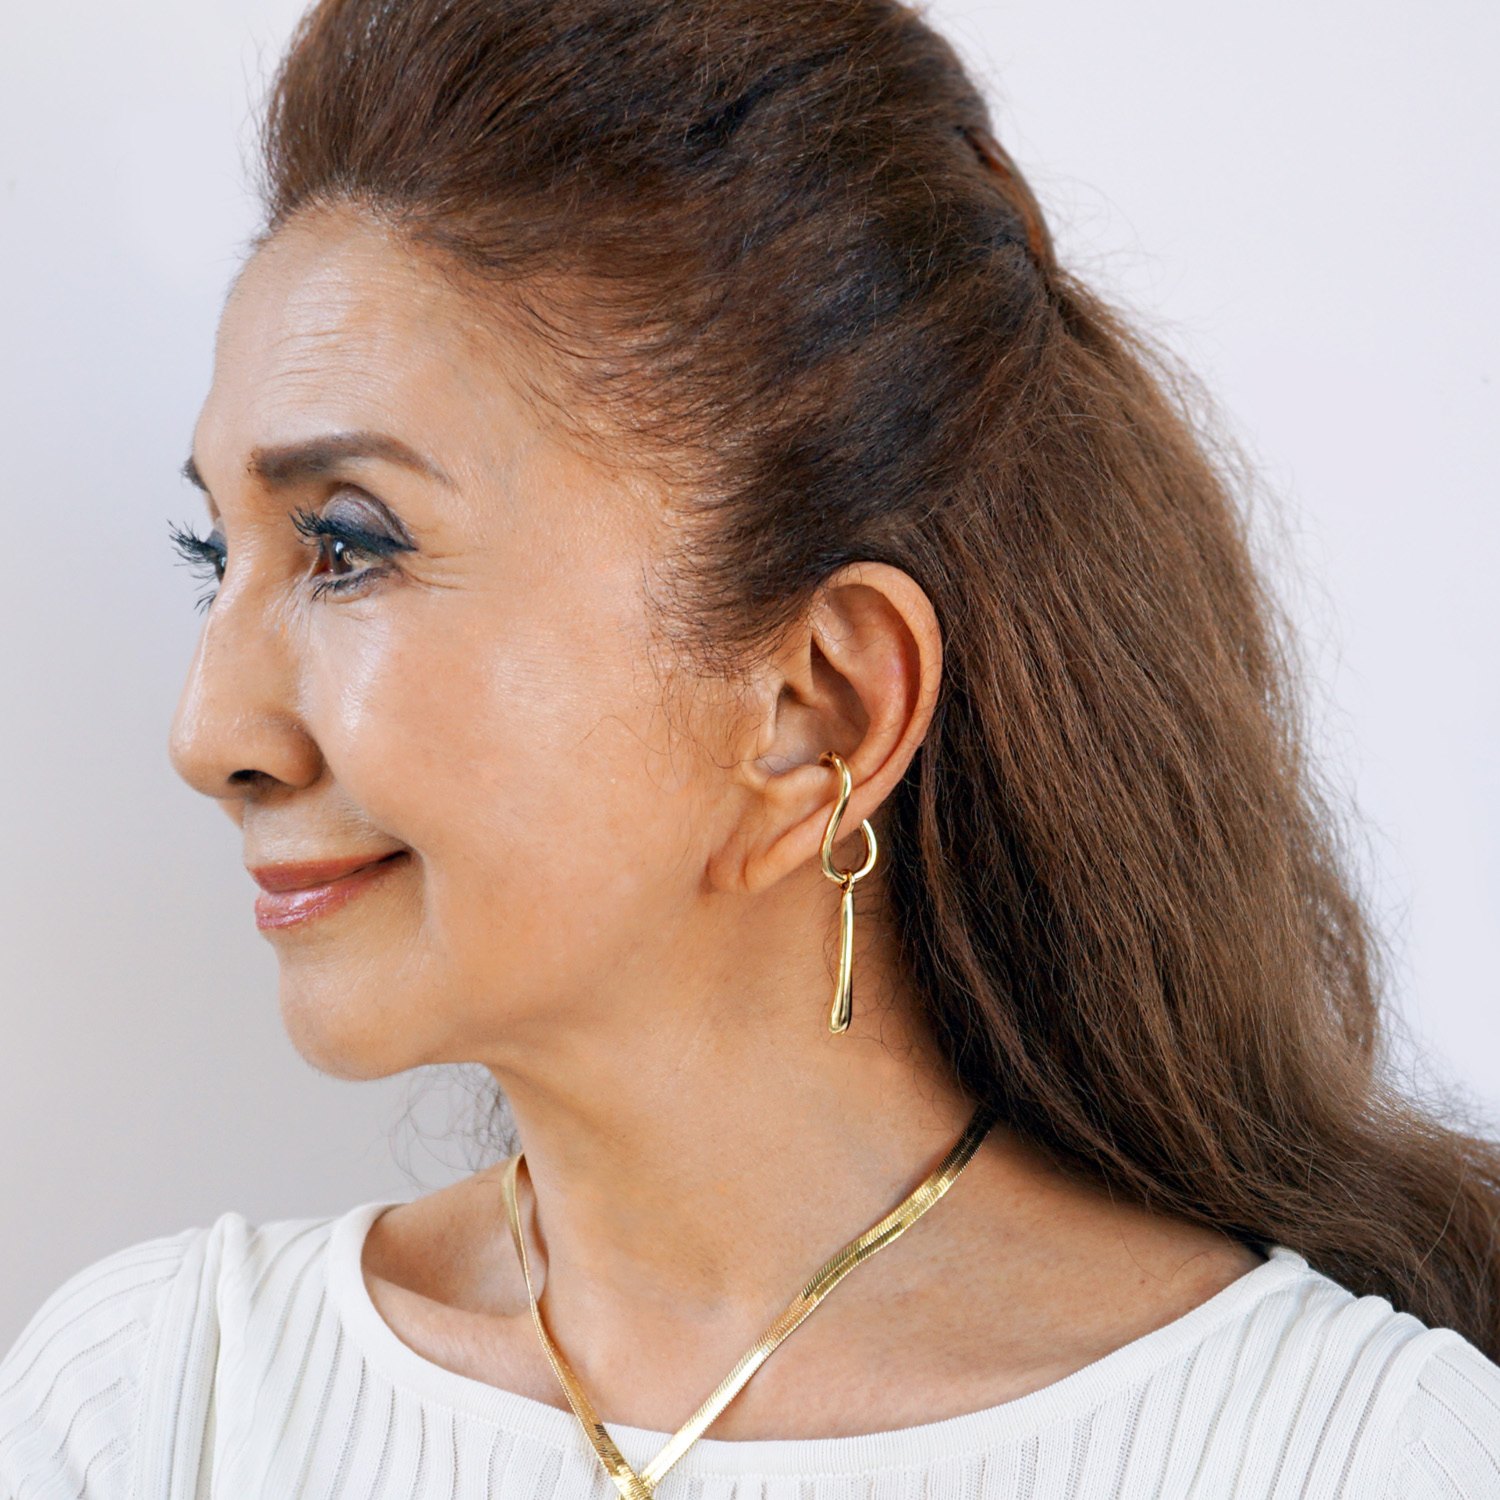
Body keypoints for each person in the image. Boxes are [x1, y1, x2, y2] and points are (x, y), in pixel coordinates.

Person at [3, 1, 1498, 1495]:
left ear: (816, 708)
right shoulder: (154, 1409)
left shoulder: (1358, 1458)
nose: (208, 735)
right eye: (215, 556)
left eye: (347, 545)